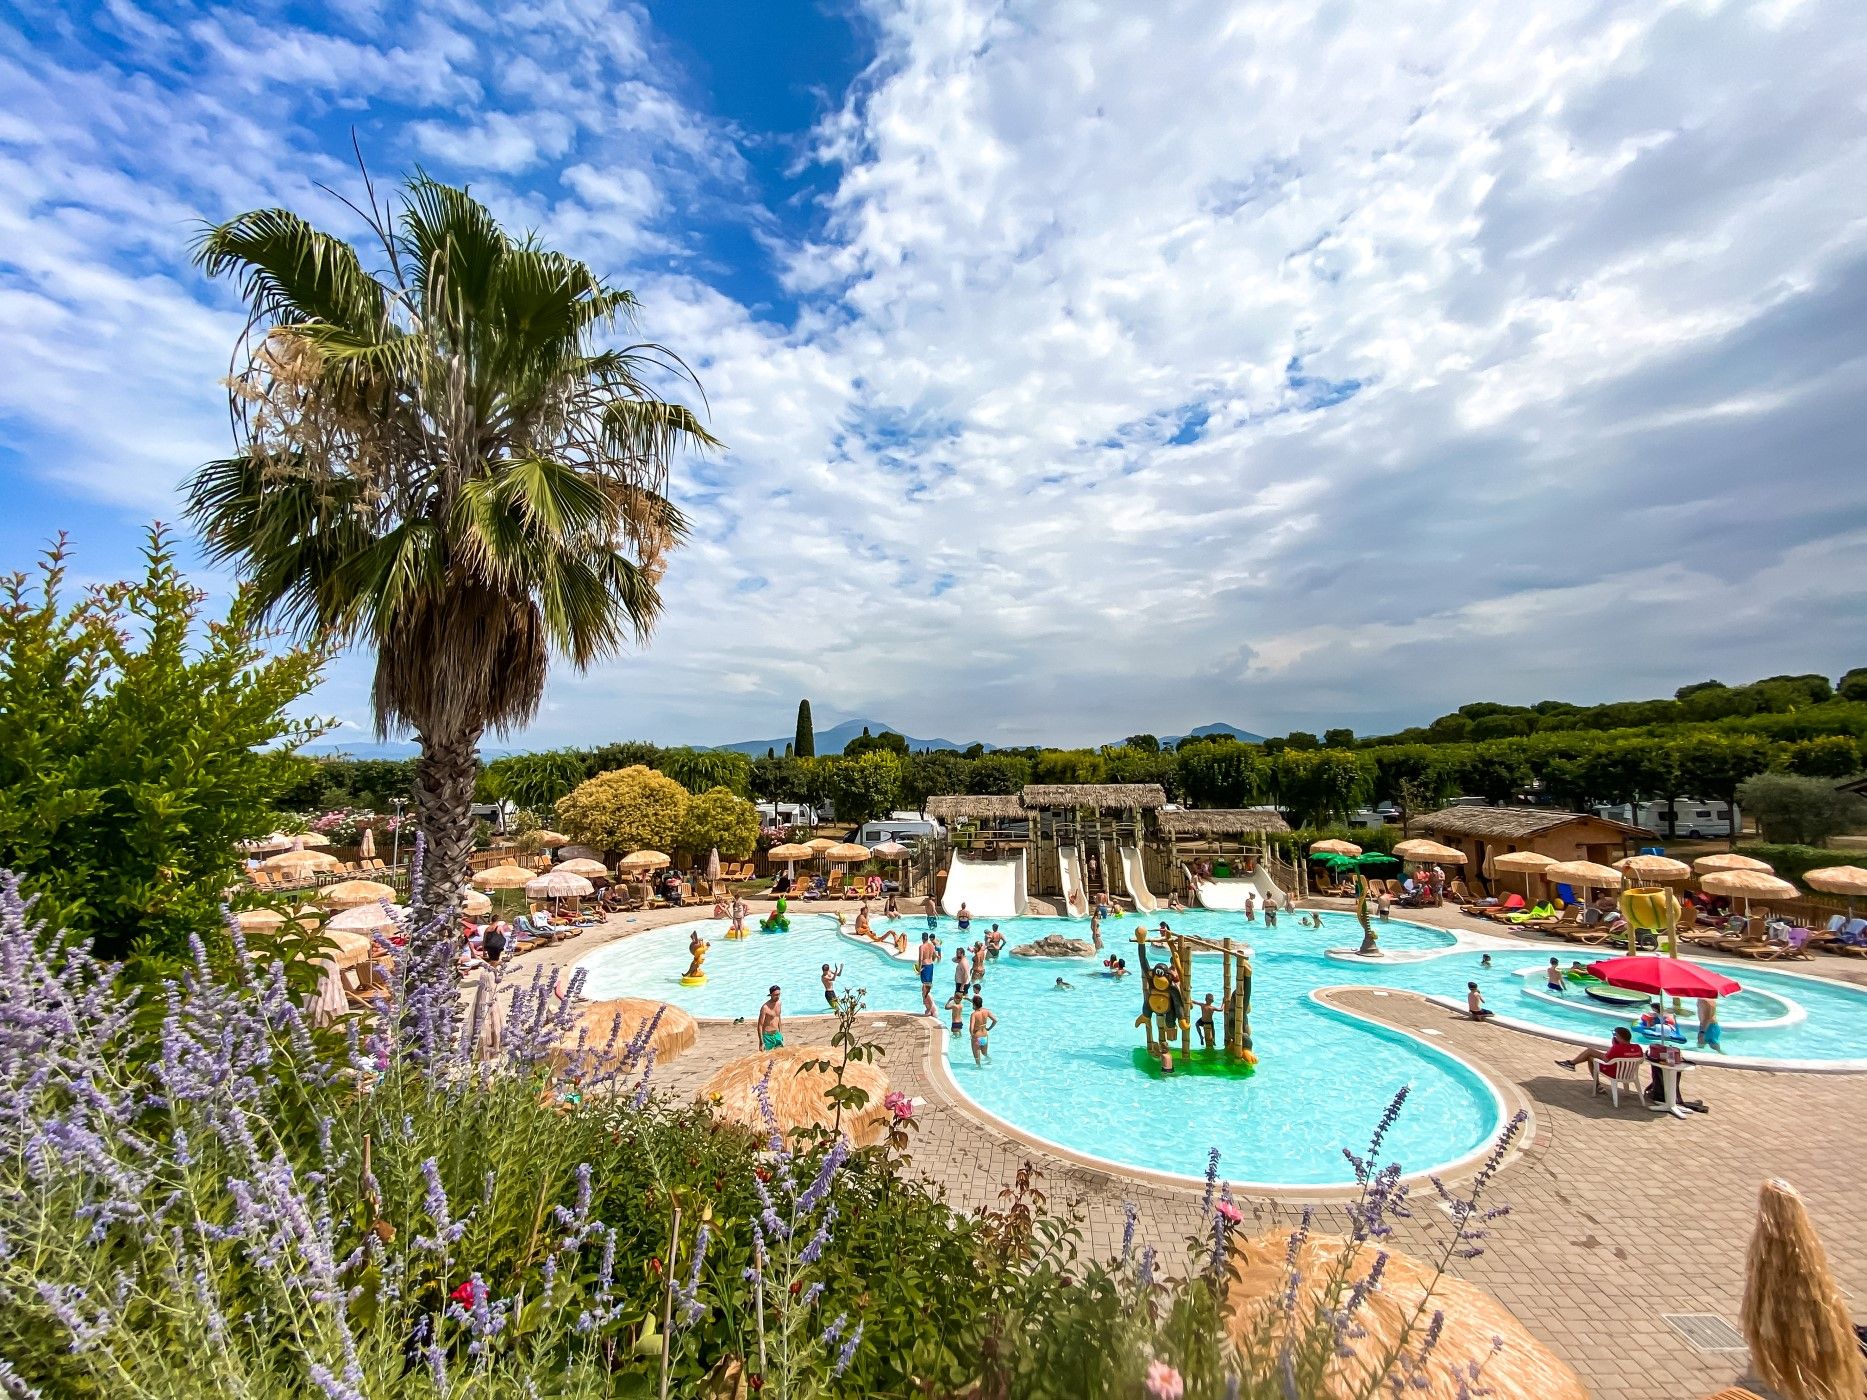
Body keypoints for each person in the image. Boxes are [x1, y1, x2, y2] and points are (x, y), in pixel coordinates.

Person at [460, 942, 506, 1058]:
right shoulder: (492, 970)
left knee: (482, 1020)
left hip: (483, 997)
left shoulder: (485, 969)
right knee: (491, 1021)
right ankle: (492, 1045)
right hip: (491, 998)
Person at [1556, 1025, 1645, 1073]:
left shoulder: (1617, 1048)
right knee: (1590, 1054)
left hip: (1615, 1072)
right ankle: (1571, 1064)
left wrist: (1613, 1045)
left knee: (1590, 1054)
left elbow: (1606, 1060)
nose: (1614, 1037)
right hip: (1628, 1073)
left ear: (1620, 1038)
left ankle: (1572, 1063)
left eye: (1615, 1035)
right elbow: (1641, 1061)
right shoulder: (1637, 1047)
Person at [969, 995, 997, 1065]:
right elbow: (995, 1020)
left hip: (977, 1036)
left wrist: (972, 1035)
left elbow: (971, 1028)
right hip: (984, 1035)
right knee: (984, 1053)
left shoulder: (974, 1014)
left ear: (974, 1004)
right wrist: (989, 1028)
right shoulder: (986, 1011)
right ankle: (990, 1061)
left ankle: (978, 1068)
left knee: (977, 1057)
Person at [757, 986, 784, 1050]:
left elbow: (778, 1018)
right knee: (768, 1058)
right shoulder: (765, 1008)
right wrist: (761, 1042)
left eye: (779, 994)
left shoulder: (779, 1003)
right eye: (775, 995)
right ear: (771, 995)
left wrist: (780, 1034)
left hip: (777, 1034)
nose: (778, 996)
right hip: (767, 1036)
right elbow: (760, 1025)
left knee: (780, 1055)